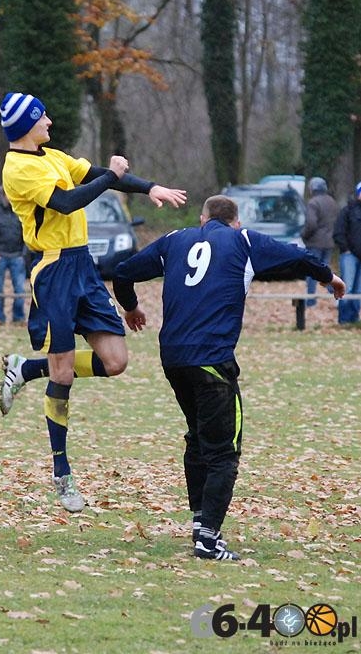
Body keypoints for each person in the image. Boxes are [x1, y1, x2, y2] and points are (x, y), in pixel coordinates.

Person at [109, 194, 345, 562]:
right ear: (236, 221)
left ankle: (200, 522)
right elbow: (297, 255)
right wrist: (328, 276)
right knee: (223, 451)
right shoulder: (244, 240)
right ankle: (208, 539)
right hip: (212, 359)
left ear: (203, 219)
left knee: (199, 439)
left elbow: (123, 272)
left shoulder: (174, 240)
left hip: (173, 357)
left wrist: (132, 306)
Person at [0, 90, 187, 512]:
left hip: (84, 265)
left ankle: (25, 368)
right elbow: (67, 201)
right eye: (41, 115)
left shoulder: (53, 155)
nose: (48, 120)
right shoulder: (18, 167)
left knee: (116, 361)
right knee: (62, 374)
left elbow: (99, 173)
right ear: (26, 123)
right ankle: (62, 474)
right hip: (54, 272)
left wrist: (149, 186)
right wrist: (110, 178)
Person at [0, 185, 27, 326]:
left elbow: (27, 233)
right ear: (2, 196)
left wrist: (23, 254)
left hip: (17, 255)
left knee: (19, 289)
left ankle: (18, 318)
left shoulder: (20, 211)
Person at [301, 177, 338, 306]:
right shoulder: (332, 202)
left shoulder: (313, 203)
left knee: (312, 271)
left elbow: (311, 224)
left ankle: (311, 301)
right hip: (329, 242)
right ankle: (336, 293)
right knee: (325, 270)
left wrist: (304, 235)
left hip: (315, 243)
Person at [333, 181, 361, 324]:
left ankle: (354, 318)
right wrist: (346, 249)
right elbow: (338, 232)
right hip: (349, 256)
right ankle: (344, 320)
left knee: (359, 290)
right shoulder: (347, 211)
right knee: (347, 287)